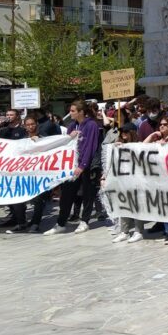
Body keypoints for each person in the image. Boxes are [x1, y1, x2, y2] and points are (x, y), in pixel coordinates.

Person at [44, 101, 103, 236]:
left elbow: (90, 146)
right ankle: (61, 223)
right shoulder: (72, 125)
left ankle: (85, 221)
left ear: (81, 112)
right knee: (66, 195)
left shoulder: (91, 125)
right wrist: (69, 137)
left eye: (72, 111)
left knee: (88, 194)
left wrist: (82, 166)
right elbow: (66, 145)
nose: (70, 113)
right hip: (72, 166)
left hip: (87, 166)